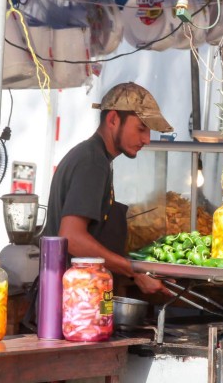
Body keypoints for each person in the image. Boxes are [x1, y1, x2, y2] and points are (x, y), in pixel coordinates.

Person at [43, 82, 173, 296]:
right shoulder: (93, 162)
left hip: (76, 296)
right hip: (72, 300)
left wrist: (138, 270)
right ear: (113, 119)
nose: (146, 139)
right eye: (141, 128)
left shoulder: (95, 157)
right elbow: (72, 237)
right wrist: (133, 270)